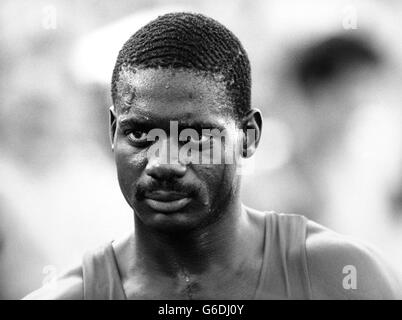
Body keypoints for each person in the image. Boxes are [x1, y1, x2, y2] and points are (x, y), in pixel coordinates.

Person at [24, 12, 401, 300]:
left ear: (249, 137)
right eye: (140, 134)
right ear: (112, 132)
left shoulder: (343, 278)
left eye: (195, 136)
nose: (164, 162)